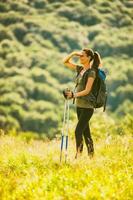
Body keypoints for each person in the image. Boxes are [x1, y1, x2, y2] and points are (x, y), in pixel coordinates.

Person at [63, 48, 101, 158]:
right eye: (80, 55)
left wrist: (73, 95)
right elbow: (65, 62)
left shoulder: (92, 72)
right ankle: (91, 156)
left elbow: (87, 90)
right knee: (86, 133)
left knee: (78, 131)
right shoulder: (80, 69)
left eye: (82, 55)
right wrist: (74, 53)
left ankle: (78, 156)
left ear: (89, 58)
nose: (80, 57)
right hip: (79, 106)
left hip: (88, 107)